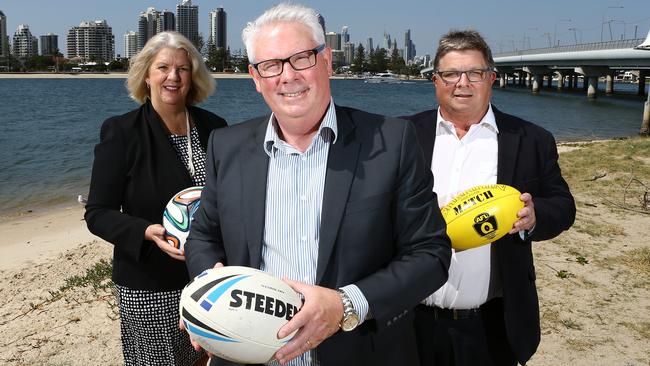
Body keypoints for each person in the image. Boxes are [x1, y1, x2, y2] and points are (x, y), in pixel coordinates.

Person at [183, 3, 451, 366]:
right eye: (271, 65)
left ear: (326, 62)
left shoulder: (392, 141)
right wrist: (210, 286)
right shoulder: (226, 147)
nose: (287, 76)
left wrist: (346, 304)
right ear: (256, 78)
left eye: (301, 59)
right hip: (249, 354)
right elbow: (203, 236)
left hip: (360, 353)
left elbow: (430, 254)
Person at [402, 30, 576, 366]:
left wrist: (535, 215)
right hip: (409, 320)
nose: (462, 82)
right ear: (435, 81)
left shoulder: (530, 139)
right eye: (451, 73)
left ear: (491, 79)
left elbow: (563, 205)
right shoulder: (401, 134)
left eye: (474, 73)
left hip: (490, 326)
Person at [85, 31, 227, 365]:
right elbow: (98, 213)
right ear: (146, 75)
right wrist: (144, 231)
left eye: (183, 68)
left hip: (208, 276)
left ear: (194, 76)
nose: (173, 77)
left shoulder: (216, 129)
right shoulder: (122, 132)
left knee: (205, 359)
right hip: (150, 282)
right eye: (163, 67)